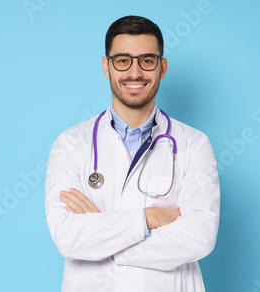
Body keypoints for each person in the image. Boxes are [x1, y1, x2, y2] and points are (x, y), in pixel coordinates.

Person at [45, 15, 220, 291]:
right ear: (106, 66)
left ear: (162, 68)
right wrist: (149, 217)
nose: (135, 73)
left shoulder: (193, 144)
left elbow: (200, 237)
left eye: (147, 60)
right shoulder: (70, 143)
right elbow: (67, 238)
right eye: (123, 60)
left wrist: (104, 241)